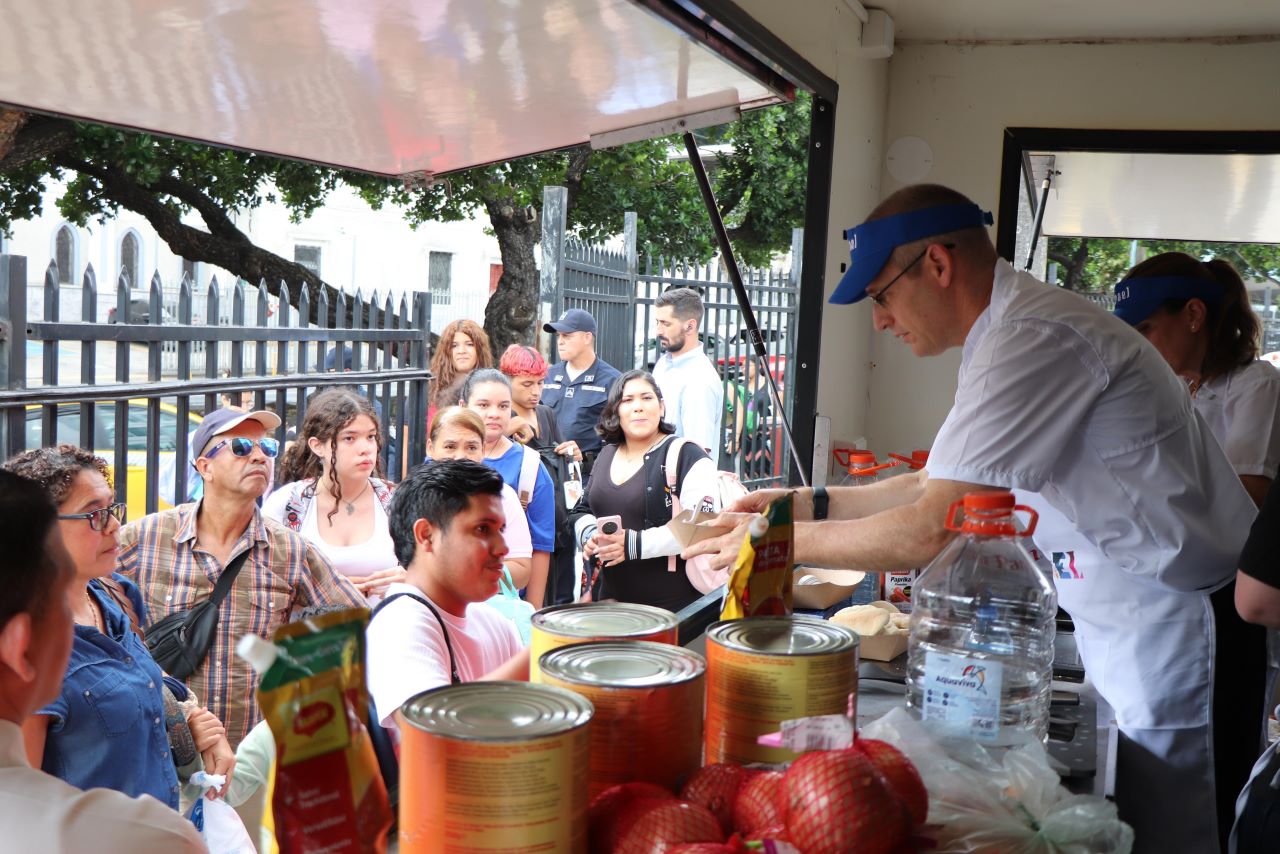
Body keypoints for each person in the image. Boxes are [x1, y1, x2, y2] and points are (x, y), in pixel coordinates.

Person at [689, 184, 1263, 854]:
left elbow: (933, 525)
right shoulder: (1005, 331)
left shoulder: (1035, 335)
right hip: (1130, 622)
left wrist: (776, 540)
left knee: (1183, 837)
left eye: (881, 295)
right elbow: (940, 482)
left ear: (937, 264)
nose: (879, 321)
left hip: (1185, 630)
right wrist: (806, 502)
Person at [3, 446, 235, 811]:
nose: (114, 525)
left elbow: (136, 671)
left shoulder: (114, 595)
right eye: (93, 514)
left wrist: (190, 715)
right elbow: (20, 807)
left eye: (111, 508)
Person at [117, 407, 364, 748]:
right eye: (242, 447)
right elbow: (81, 599)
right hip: (161, 746)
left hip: (249, 757)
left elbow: (358, 623)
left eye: (268, 448)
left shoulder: (290, 551)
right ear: (205, 467)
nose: (260, 456)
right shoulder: (147, 537)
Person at [365, 460, 529, 736]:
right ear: (426, 535)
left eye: (500, 530)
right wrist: (545, 652)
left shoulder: (494, 622)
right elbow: (434, 731)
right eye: (482, 530)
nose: (503, 548)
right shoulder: (399, 624)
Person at [1113, 252, 1280, 507]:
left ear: (1193, 314)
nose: (1136, 346)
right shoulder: (1168, 389)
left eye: (1144, 329)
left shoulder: (1256, 384)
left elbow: (1250, 498)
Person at [568, 370, 722, 612]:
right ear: (616, 411)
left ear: (661, 407)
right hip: (608, 606)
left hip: (673, 610)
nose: (638, 407)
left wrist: (633, 544)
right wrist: (591, 536)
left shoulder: (687, 455)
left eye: (647, 398)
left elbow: (701, 524)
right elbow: (582, 509)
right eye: (627, 400)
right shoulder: (607, 454)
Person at [263, 388, 404, 601]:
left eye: (371, 437)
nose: (365, 448)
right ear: (318, 446)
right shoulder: (287, 504)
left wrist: (411, 578)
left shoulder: (397, 501)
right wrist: (325, 592)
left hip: (385, 629)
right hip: (312, 632)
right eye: (349, 438)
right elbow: (262, 583)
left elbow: (433, 572)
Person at [458, 369, 553, 608]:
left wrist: (533, 612)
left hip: (504, 604)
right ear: (463, 406)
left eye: (503, 406)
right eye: (483, 405)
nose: (493, 414)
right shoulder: (440, 460)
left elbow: (541, 548)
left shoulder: (530, 467)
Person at [501, 344, 581, 605]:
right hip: (523, 526)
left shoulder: (546, 413)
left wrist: (574, 452)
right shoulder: (501, 421)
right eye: (526, 384)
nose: (535, 391)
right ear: (507, 381)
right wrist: (502, 432)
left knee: (560, 600)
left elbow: (560, 461)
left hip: (559, 523)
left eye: (540, 383)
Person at [426, 406, 534, 589]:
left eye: (471, 447)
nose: (460, 457)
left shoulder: (502, 497)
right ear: (431, 448)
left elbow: (521, 570)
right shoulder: (414, 495)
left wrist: (462, 577)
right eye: (450, 447)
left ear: (483, 450)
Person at [539, 308, 620, 472]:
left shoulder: (612, 380)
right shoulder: (547, 376)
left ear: (587, 337)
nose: (560, 341)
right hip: (547, 470)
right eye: (558, 336)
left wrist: (583, 457)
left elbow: (619, 439)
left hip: (588, 474)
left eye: (567, 336)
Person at [652, 288, 724, 455]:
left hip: (681, 479)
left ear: (690, 326)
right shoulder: (663, 364)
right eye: (657, 322)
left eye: (665, 323)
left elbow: (696, 452)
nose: (658, 331)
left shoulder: (699, 379)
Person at [428, 319, 493, 423]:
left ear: (480, 349)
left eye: (469, 344)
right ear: (446, 350)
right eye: (454, 345)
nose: (462, 351)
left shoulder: (492, 386)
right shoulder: (428, 387)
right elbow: (407, 435)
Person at [726, 356, 773, 480]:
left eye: (747, 365)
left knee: (763, 473)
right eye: (742, 365)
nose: (743, 368)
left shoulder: (769, 386)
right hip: (745, 437)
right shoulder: (741, 386)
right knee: (745, 475)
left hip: (764, 436)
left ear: (758, 366)